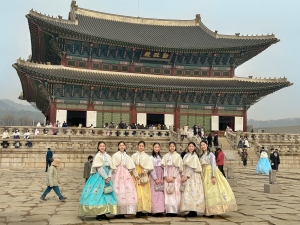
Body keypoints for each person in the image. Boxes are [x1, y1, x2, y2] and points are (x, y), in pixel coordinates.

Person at [78, 141, 117, 221]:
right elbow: (99, 168)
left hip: (107, 178)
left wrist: (109, 176)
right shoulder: (97, 156)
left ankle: (104, 212)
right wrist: (105, 177)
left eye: (103, 146)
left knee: (106, 194)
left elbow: (111, 167)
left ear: (105, 147)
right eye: (100, 146)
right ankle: (98, 213)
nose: (102, 147)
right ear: (98, 147)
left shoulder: (108, 156)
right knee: (98, 194)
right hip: (99, 177)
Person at [199, 140, 237, 217]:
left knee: (212, 191)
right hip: (204, 174)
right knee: (205, 192)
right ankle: (207, 211)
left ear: (207, 145)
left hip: (210, 173)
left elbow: (213, 165)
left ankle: (213, 211)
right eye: (201, 145)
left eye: (204, 144)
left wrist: (213, 176)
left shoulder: (211, 155)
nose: (202, 146)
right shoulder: (202, 156)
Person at [111, 141, 138, 218]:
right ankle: (117, 211)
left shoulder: (127, 156)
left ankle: (124, 211)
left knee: (127, 191)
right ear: (118, 147)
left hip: (126, 175)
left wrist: (136, 175)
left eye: (123, 145)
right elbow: (112, 167)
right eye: (120, 145)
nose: (122, 147)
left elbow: (132, 167)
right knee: (118, 191)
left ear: (125, 146)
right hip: (117, 175)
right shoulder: (115, 155)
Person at [180, 142, 205, 217]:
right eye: (189, 146)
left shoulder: (194, 156)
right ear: (187, 147)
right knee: (188, 193)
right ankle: (190, 209)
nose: (191, 147)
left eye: (192, 146)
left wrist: (187, 176)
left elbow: (193, 168)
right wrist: (183, 175)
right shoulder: (186, 155)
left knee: (193, 192)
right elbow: (184, 166)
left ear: (194, 148)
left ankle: (194, 210)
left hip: (193, 176)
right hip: (186, 175)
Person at [131, 141, 154, 217]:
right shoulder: (134, 155)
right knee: (136, 192)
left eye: (142, 146)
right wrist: (136, 174)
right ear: (138, 146)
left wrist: (144, 171)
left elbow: (149, 166)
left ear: (144, 147)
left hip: (143, 175)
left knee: (144, 193)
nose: (141, 147)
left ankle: (144, 208)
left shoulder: (146, 156)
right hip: (135, 175)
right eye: (140, 145)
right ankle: (137, 210)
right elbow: (131, 166)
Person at [162, 142, 183, 217]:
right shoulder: (165, 156)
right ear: (168, 147)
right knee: (167, 192)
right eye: (170, 146)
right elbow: (164, 167)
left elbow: (178, 167)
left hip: (175, 176)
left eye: (173, 146)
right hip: (167, 176)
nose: (172, 147)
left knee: (175, 192)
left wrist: (174, 177)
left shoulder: (178, 156)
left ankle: (174, 210)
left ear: (175, 147)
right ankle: (168, 210)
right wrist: (166, 176)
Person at [149, 142, 165, 217]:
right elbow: (151, 169)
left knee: (160, 193)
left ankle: (160, 210)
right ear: (153, 148)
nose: (157, 148)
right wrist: (155, 178)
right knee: (154, 193)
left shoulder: (161, 157)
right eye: (155, 147)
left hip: (160, 175)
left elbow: (163, 168)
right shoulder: (151, 158)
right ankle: (154, 210)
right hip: (153, 176)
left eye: (158, 147)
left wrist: (162, 178)